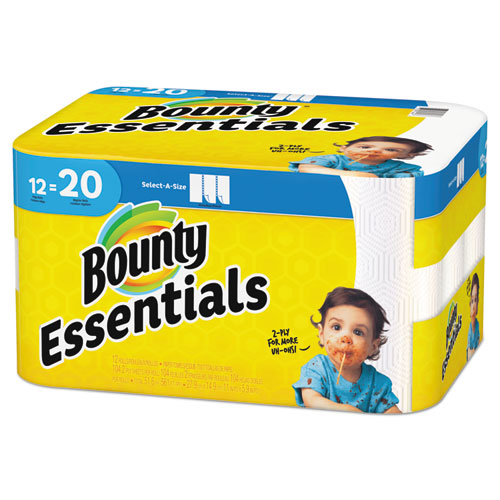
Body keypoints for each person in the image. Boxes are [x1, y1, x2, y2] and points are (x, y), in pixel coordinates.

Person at [292, 287, 401, 413]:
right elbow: (312, 401)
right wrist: (349, 411)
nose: (346, 338)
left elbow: (392, 412)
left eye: (358, 332)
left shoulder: (378, 383)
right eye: (336, 327)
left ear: (373, 346)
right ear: (321, 334)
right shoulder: (316, 368)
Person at [289, 136, 432, 178]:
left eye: (390, 149)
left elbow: (406, 182)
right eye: (364, 147)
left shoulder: (403, 168)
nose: (374, 151)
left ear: (407, 155)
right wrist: (357, 175)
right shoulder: (334, 159)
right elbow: (306, 168)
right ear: (344, 148)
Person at [466, 273, 480, 361]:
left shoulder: (477, 325)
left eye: (475, 300)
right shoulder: (469, 330)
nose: (473, 305)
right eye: (472, 300)